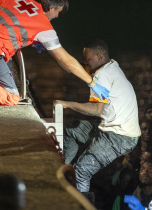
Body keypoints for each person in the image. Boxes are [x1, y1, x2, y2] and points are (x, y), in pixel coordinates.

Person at [54, 38, 141, 203]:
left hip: (120, 136)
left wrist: (68, 104)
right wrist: (56, 55)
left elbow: (96, 110)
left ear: (100, 56)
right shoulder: (110, 64)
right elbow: (74, 67)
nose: (86, 62)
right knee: (72, 130)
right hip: (110, 128)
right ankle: (64, 170)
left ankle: (80, 204)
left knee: (82, 171)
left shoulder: (103, 74)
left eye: (88, 59)